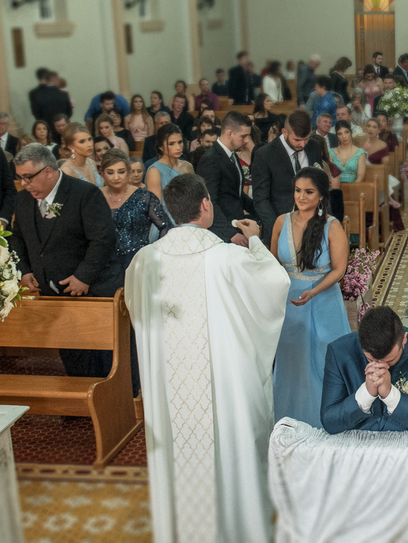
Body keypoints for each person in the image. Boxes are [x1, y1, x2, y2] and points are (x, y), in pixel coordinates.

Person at [125, 173, 288, 543]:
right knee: (230, 443)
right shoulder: (228, 258)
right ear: (205, 205)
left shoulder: (144, 261)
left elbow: (137, 311)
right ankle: (236, 528)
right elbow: (275, 284)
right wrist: (256, 241)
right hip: (224, 380)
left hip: (169, 387)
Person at [10, 144, 125, 377]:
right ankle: (80, 397)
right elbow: (17, 238)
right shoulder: (23, 200)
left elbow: (103, 239)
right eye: (20, 178)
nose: (24, 183)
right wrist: (24, 270)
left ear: (48, 171)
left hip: (93, 290)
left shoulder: (84, 194)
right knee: (74, 359)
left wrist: (83, 277)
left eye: (28, 177)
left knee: (103, 361)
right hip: (54, 294)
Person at [270, 167, 349, 429]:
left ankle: (325, 422)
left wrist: (314, 291)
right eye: (297, 191)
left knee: (322, 361)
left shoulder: (332, 226)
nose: (301, 197)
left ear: (321, 195)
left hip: (323, 300)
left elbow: (339, 269)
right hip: (289, 302)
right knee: (291, 363)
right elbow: (272, 263)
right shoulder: (281, 222)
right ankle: (288, 421)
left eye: (308, 192)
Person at [320, 305, 408, 437]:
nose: (381, 368)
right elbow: (329, 422)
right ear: (360, 343)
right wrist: (366, 394)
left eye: (390, 360)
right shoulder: (338, 352)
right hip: (355, 442)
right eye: (371, 360)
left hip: (407, 442)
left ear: (404, 339)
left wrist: (390, 395)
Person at [252, 110, 325, 243]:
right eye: (297, 139)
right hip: (279, 223)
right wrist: (277, 227)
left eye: (306, 139)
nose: (302, 144)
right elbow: (261, 199)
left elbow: (320, 187)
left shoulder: (313, 147)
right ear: (284, 132)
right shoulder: (264, 155)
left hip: (312, 225)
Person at [100, 148, 171, 269]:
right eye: (110, 172)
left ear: (128, 172)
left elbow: (166, 227)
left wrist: (156, 253)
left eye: (121, 172)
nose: (116, 177)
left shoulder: (145, 197)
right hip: (102, 264)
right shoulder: (94, 197)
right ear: (102, 173)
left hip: (138, 263)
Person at [197, 111, 254, 244]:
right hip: (221, 234)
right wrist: (230, 234)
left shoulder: (232, 155)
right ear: (229, 134)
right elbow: (209, 202)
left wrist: (260, 211)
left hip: (235, 225)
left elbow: (236, 193)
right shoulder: (210, 159)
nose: (246, 140)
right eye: (243, 136)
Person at [146, 123, 194, 202]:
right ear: (160, 147)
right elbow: (156, 205)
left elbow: (194, 196)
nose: (178, 147)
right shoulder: (154, 171)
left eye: (180, 142)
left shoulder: (188, 166)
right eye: (171, 144)